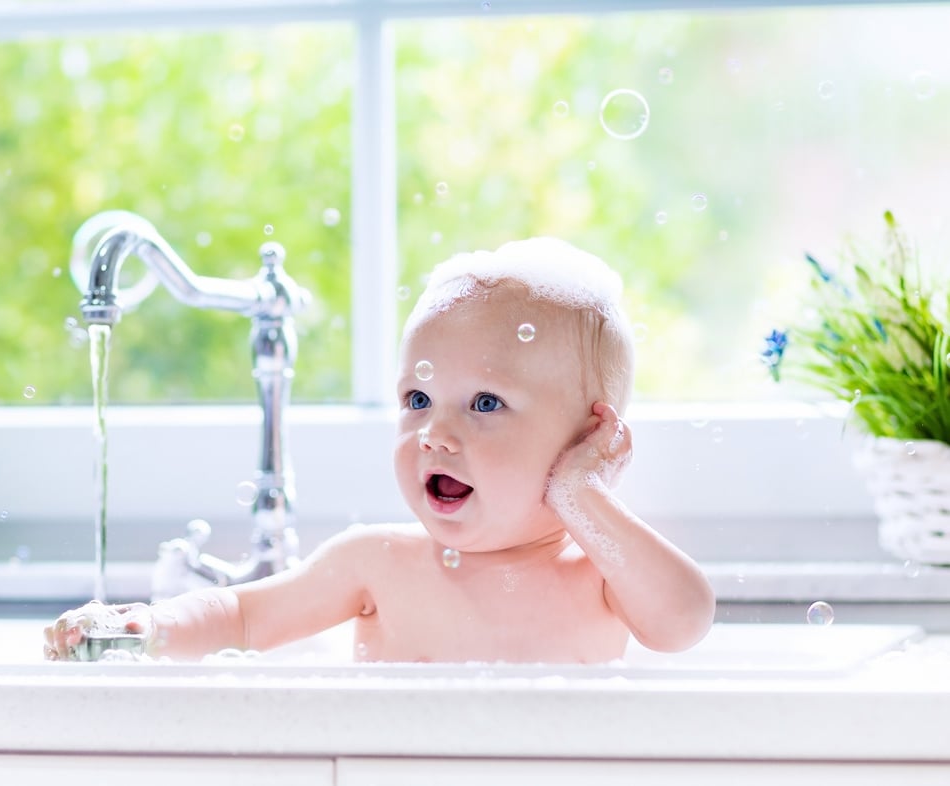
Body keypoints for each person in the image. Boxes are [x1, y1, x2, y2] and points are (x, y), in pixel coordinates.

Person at [44, 237, 715, 664]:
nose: (434, 434)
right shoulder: (378, 564)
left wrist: (580, 496)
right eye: (417, 400)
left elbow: (683, 622)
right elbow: (242, 615)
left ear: (588, 438)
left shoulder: (595, 574)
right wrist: (145, 625)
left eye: (485, 404)